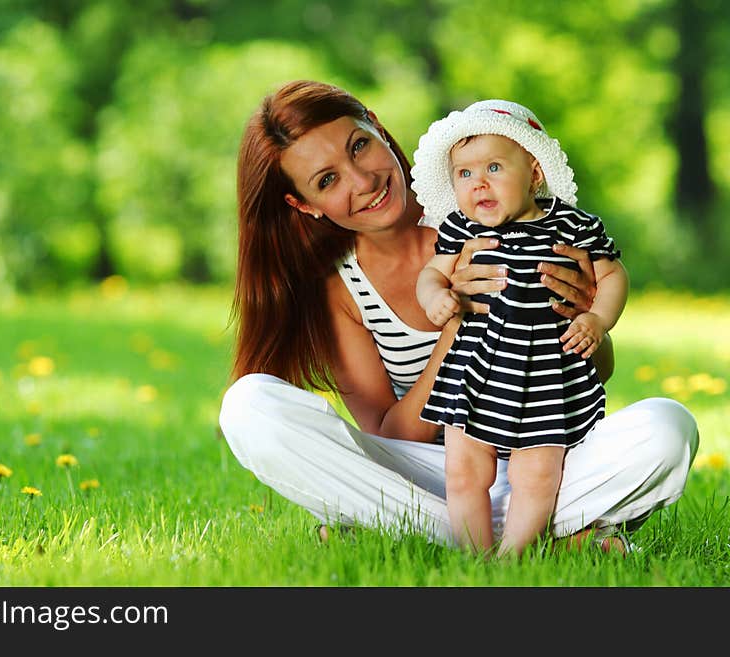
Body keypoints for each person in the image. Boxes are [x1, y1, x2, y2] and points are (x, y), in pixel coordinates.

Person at [218, 79, 698, 555]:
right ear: (305, 205)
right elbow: (390, 434)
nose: (362, 182)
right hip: (438, 467)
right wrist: (456, 326)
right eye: (328, 180)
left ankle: (408, 529)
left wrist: (585, 319)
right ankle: (545, 533)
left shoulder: (491, 213)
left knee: (666, 427)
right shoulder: (341, 290)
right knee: (249, 407)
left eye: (359, 146)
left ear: (379, 129)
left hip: (544, 448)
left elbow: (596, 366)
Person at [411, 99, 628, 556]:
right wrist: (435, 296)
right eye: (464, 174)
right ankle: (475, 556)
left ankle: (514, 557)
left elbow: (611, 276)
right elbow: (432, 272)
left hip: (546, 371)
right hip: (476, 369)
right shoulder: (459, 228)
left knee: (537, 474)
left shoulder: (571, 224)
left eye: (493, 166)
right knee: (464, 470)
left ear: (533, 173)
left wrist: (596, 319)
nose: (479, 183)